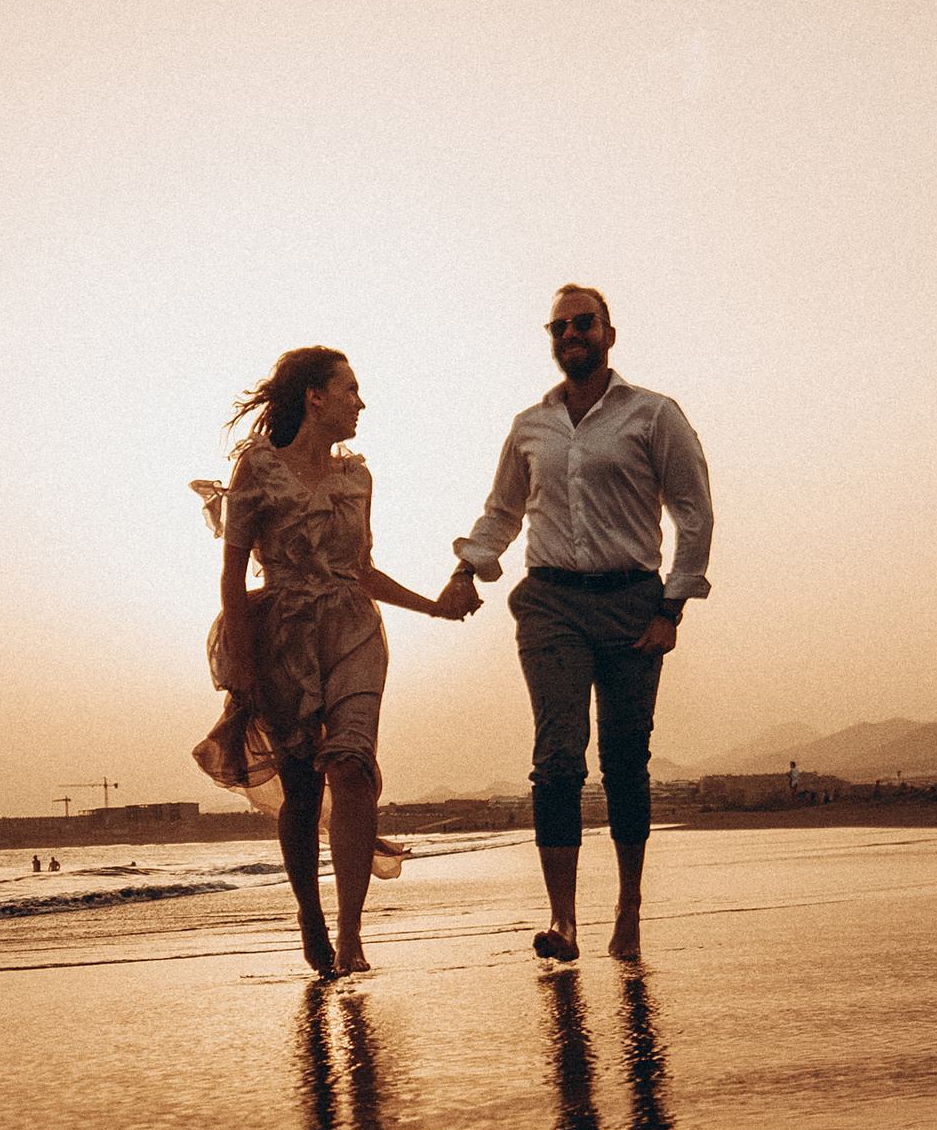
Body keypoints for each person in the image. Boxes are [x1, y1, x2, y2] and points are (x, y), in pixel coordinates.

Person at [445, 286, 712, 964]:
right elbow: (503, 512)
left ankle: (628, 910)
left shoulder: (654, 414)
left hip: (631, 602)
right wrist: (469, 570)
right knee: (558, 757)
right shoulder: (529, 426)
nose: (571, 333)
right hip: (551, 602)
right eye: (559, 325)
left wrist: (671, 607)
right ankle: (562, 920)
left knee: (626, 760)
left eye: (583, 323)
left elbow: (692, 513)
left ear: (608, 334)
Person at [193, 347, 475, 977]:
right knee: (300, 782)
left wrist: (434, 607)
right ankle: (310, 914)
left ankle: (350, 934)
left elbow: (361, 570)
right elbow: (232, 576)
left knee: (351, 766)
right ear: (315, 397)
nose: (361, 402)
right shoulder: (258, 470)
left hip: (352, 631)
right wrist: (241, 661)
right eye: (351, 389)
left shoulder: (358, 478)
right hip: (285, 635)